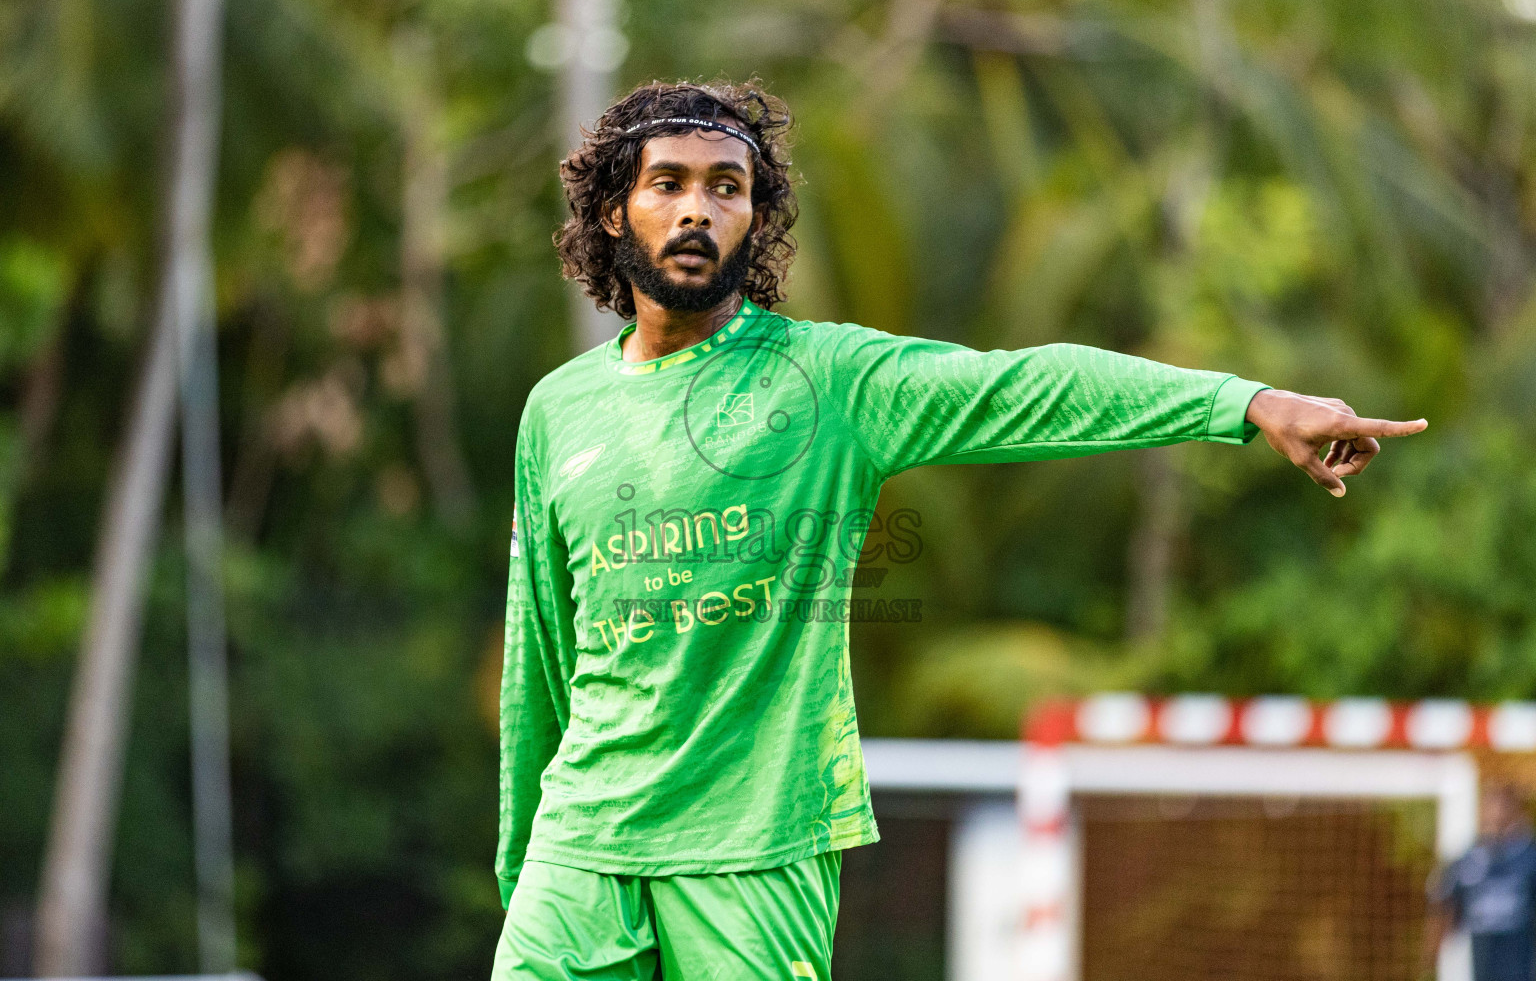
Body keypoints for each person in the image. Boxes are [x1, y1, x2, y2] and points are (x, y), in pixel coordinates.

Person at [492, 78, 1428, 980]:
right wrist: (521, 863)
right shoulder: (559, 409)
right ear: (615, 212)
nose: (698, 209)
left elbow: (1033, 385)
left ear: (756, 219)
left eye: (726, 188)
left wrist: (1248, 400)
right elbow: (540, 650)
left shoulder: (833, 380)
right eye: (669, 184)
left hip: (756, 841)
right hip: (582, 842)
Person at [1428, 785, 1536, 981]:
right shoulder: (1466, 861)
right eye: (1491, 805)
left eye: (1504, 805)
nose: (1497, 812)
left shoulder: (1530, 857)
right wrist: (1432, 957)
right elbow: (1444, 909)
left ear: (1516, 810)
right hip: (1479, 967)